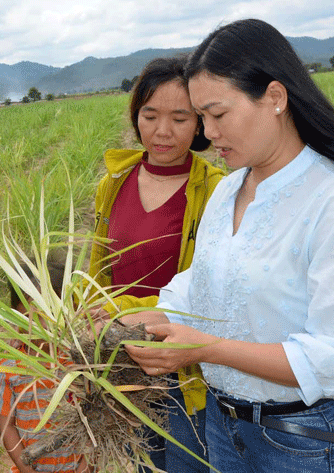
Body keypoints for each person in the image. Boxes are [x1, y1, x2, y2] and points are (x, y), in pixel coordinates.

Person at [123, 19, 334, 472]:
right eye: (201, 116)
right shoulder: (228, 192)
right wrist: (162, 314)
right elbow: (207, 279)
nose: (207, 133)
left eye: (218, 115)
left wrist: (205, 348)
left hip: (303, 441)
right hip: (224, 428)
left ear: (276, 98)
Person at [88, 56, 224, 472]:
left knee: (187, 463)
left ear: (199, 123)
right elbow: (97, 269)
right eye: (150, 115)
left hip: (184, 366)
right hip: (122, 360)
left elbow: (206, 290)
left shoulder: (217, 191)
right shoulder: (113, 183)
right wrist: (84, 314)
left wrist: (116, 313)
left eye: (180, 118)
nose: (162, 131)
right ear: (136, 116)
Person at [0, 261, 89, 473]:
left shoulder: (79, 364)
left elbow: (94, 420)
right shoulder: (7, 367)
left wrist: (86, 467)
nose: (38, 326)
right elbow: (7, 427)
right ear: (15, 315)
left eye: (47, 316)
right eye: (28, 318)